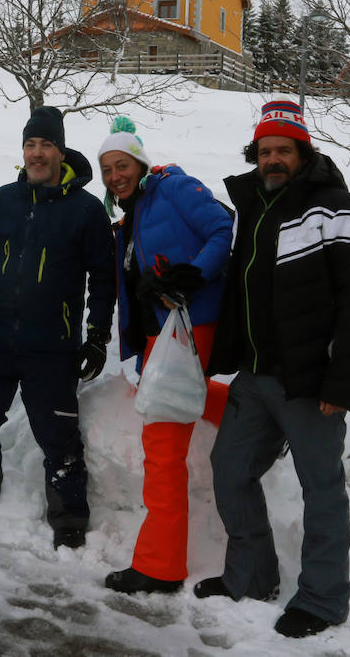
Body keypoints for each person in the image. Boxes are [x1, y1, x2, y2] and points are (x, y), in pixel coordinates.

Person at [200, 99, 350, 639]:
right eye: (265, 151)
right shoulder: (255, 203)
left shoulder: (338, 207)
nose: (273, 159)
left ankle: (323, 600)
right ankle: (252, 577)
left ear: (303, 152)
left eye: (283, 150)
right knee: (230, 470)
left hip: (309, 382)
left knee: (321, 489)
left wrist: (341, 382)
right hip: (256, 375)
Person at [0, 106, 117, 549]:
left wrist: (98, 334)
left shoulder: (85, 210)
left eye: (45, 145)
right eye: (30, 144)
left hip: (53, 345)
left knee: (58, 435)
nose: (37, 153)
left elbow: (104, 276)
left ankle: (68, 515)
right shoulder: (3, 200)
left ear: (61, 151)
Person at [95, 117, 234, 595]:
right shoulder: (130, 217)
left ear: (141, 162)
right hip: (161, 336)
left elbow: (222, 228)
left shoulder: (173, 188)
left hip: (188, 330)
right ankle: (251, 413)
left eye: (122, 164)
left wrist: (193, 274)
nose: (115, 175)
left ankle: (160, 565)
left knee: (163, 452)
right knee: (169, 411)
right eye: (107, 168)